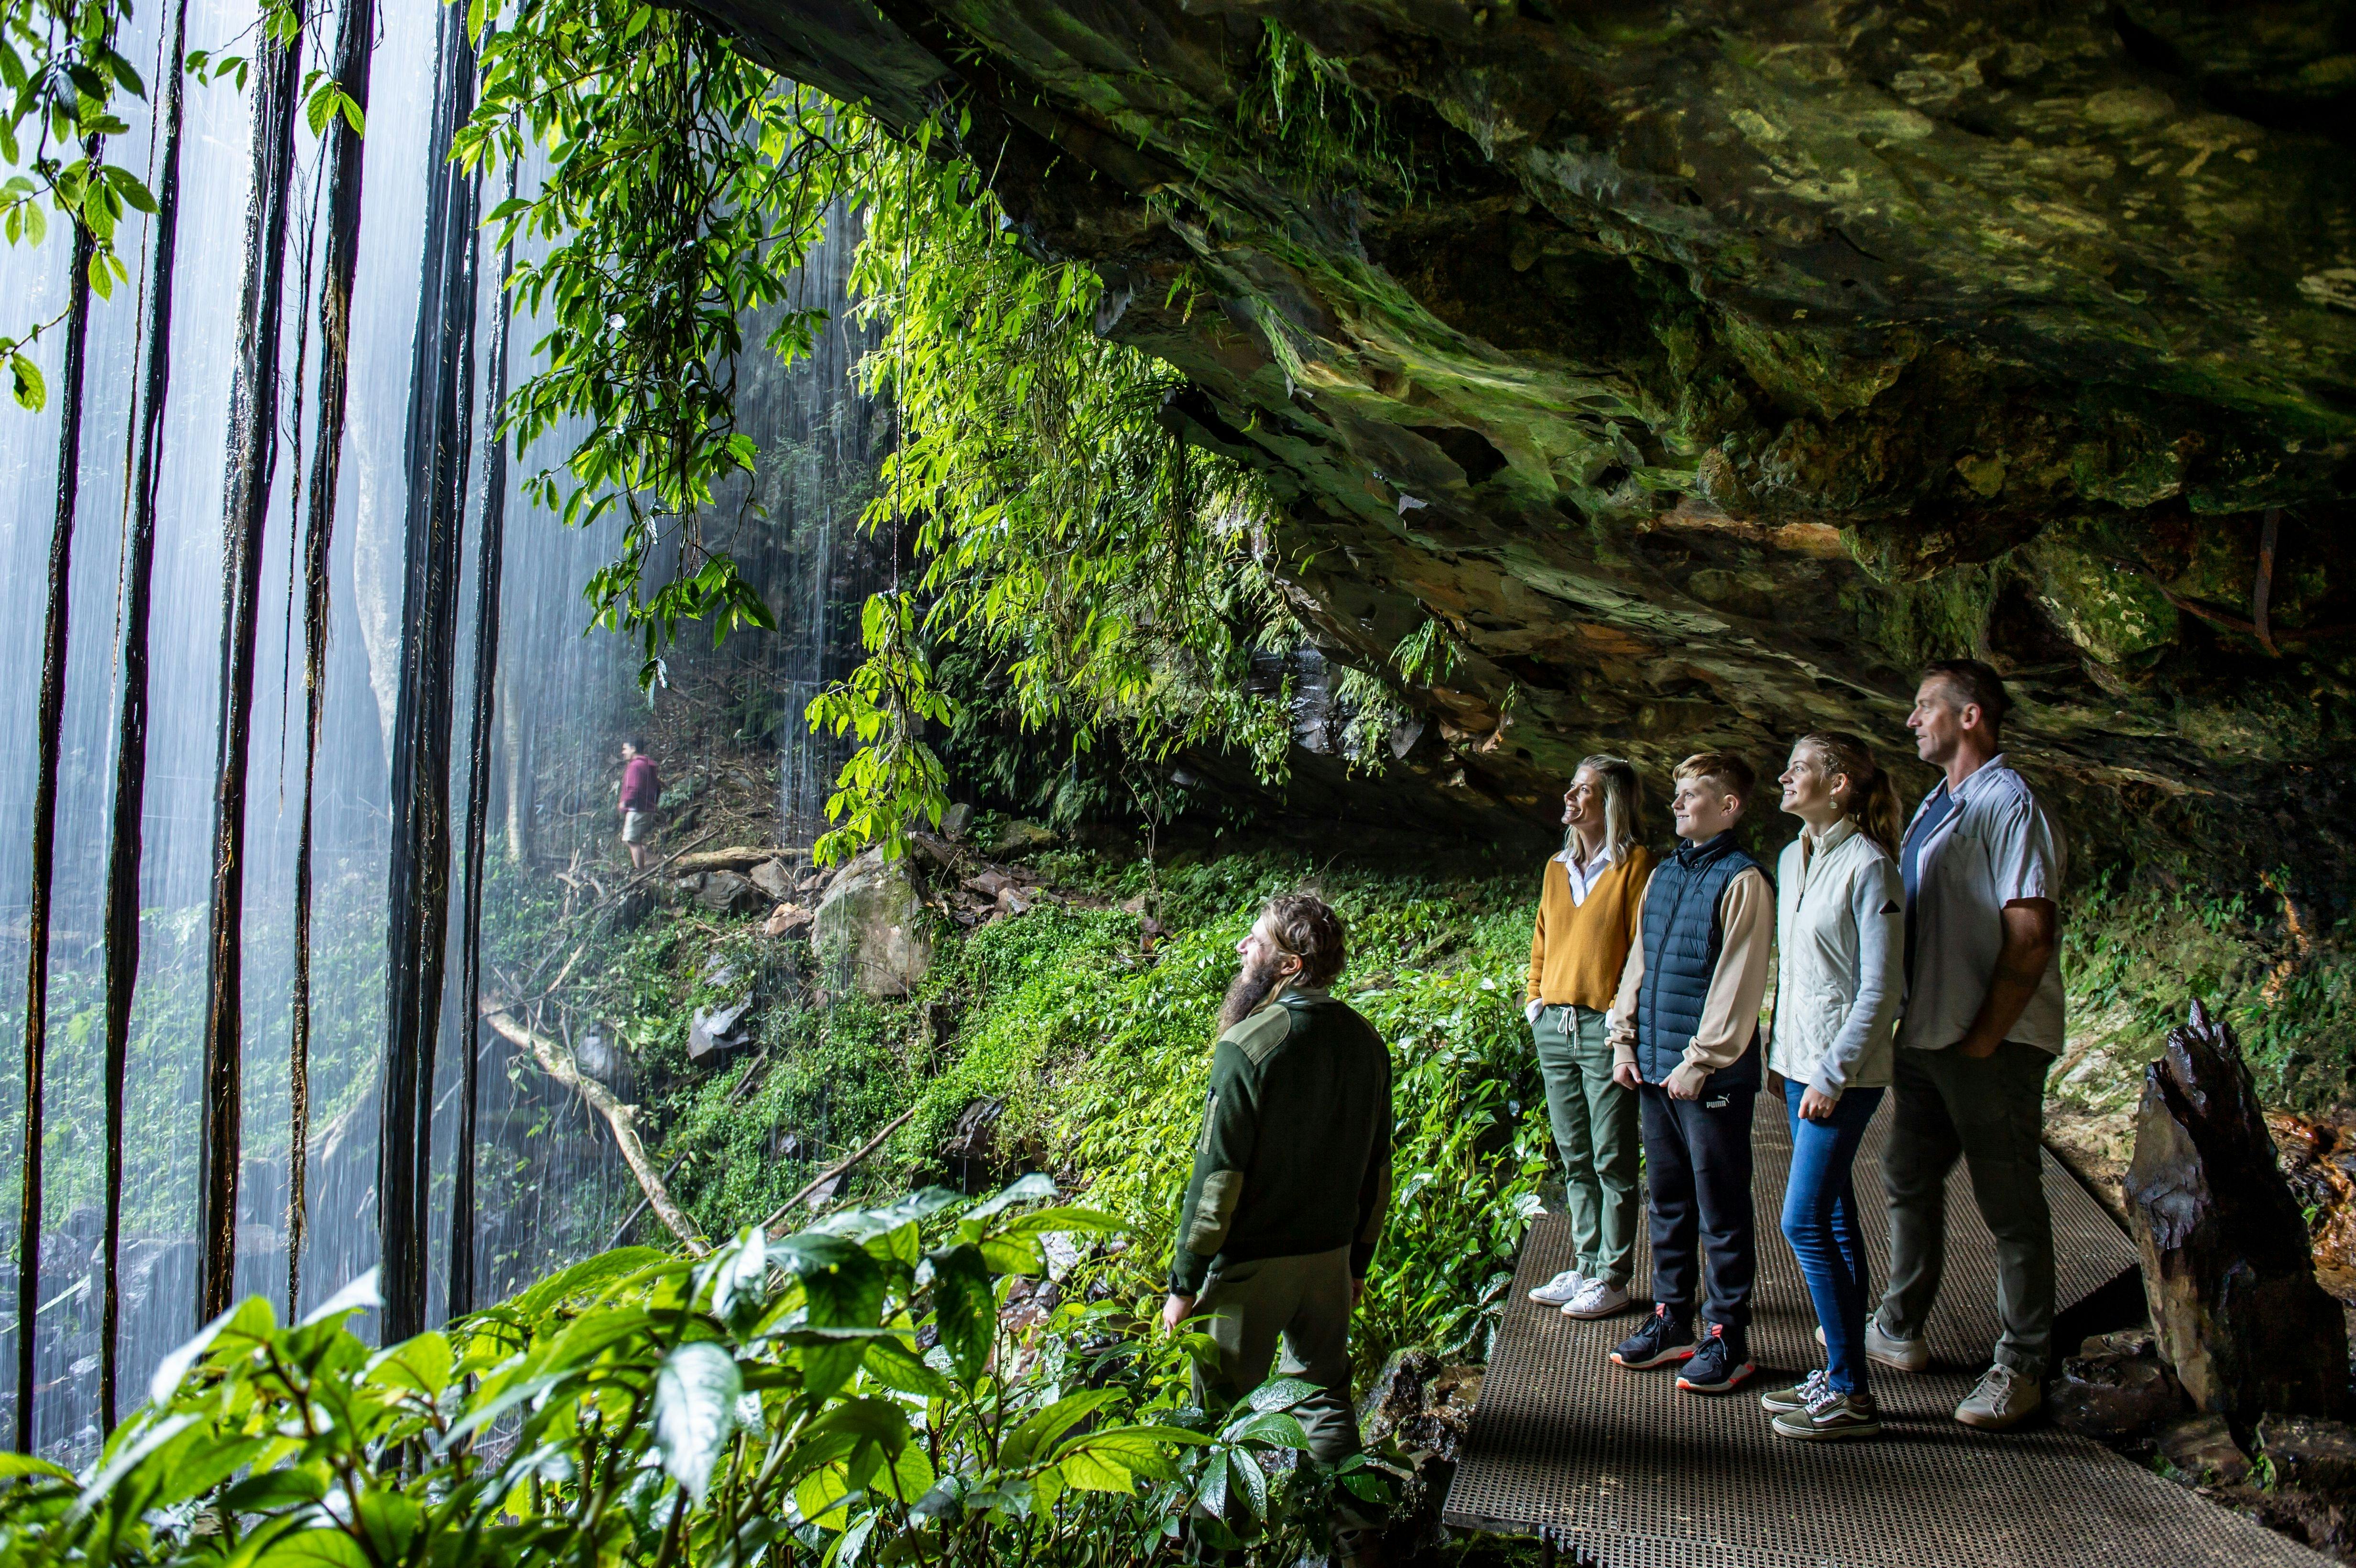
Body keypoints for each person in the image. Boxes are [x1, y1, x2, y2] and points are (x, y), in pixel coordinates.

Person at [1872, 660, 2065, 1431]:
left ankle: (2021, 1365)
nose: (1912, 720)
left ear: (1970, 716)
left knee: (2009, 1203)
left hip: (1989, 1040)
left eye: (1925, 707)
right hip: (1926, 1034)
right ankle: (1897, 1326)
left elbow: (2029, 933)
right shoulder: (1934, 804)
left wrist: (1985, 1035)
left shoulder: (2008, 803)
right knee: (1904, 1176)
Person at [1162, 893, 1395, 1473]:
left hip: (1251, 1270)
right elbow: (1377, 1170)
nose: (1243, 947)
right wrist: (1357, 1266)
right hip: (1329, 1263)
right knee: (1325, 1403)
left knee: (1221, 1426)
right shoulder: (1367, 1043)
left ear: (1289, 964)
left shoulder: (1247, 1046)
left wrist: (1184, 1283)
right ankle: (1353, 1538)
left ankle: (1219, 1548)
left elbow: (1215, 1180)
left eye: (1256, 940)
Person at [1605, 752, 1772, 1394]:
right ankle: (1672, 1319)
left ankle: (1728, 1337)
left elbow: (1739, 983)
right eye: (1675, 795)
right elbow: (1638, 965)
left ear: (1728, 807)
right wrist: (1625, 1046)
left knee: (1721, 1207)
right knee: (1667, 1201)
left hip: (1709, 1080)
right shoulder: (1666, 874)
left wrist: (1700, 1062)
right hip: (1652, 1071)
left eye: (1691, 796)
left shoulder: (1743, 880)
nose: (1676, 805)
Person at [1758, 732, 1905, 1441]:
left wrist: (1832, 1075)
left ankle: (1851, 1390)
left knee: (1802, 1220)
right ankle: (1842, 1376)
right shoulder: (1793, 857)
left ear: (1838, 783)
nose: (1785, 776)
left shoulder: (1870, 867)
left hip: (1840, 1075)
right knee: (1837, 1218)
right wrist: (1783, 1058)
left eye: (1801, 768)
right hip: (1795, 1065)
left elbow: (1882, 990)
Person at [1522, 757, 1655, 1321]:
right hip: (1555, 1023)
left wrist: (1621, 1023)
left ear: (1611, 803)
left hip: (1602, 1025)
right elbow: (1541, 938)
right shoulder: (1556, 867)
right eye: (1571, 785)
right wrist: (1535, 1001)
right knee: (1574, 1153)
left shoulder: (1635, 866)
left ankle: (1613, 1275)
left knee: (1612, 1155)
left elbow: (1639, 951)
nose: (1570, 796)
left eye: (1584, 790)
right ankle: (1584, 1260)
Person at [616, 738, 661, 871]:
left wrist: (624, 803)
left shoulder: (635, 766)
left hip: (637, 808)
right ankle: (651, 861)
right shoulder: (648, 765)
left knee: (632, 841)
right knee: (634, 840)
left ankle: (641, 872)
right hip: (646, 807)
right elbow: (657, 787)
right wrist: (653, 803)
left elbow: (634, 788)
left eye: (625, 749)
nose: (623, 752)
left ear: (634, 749)